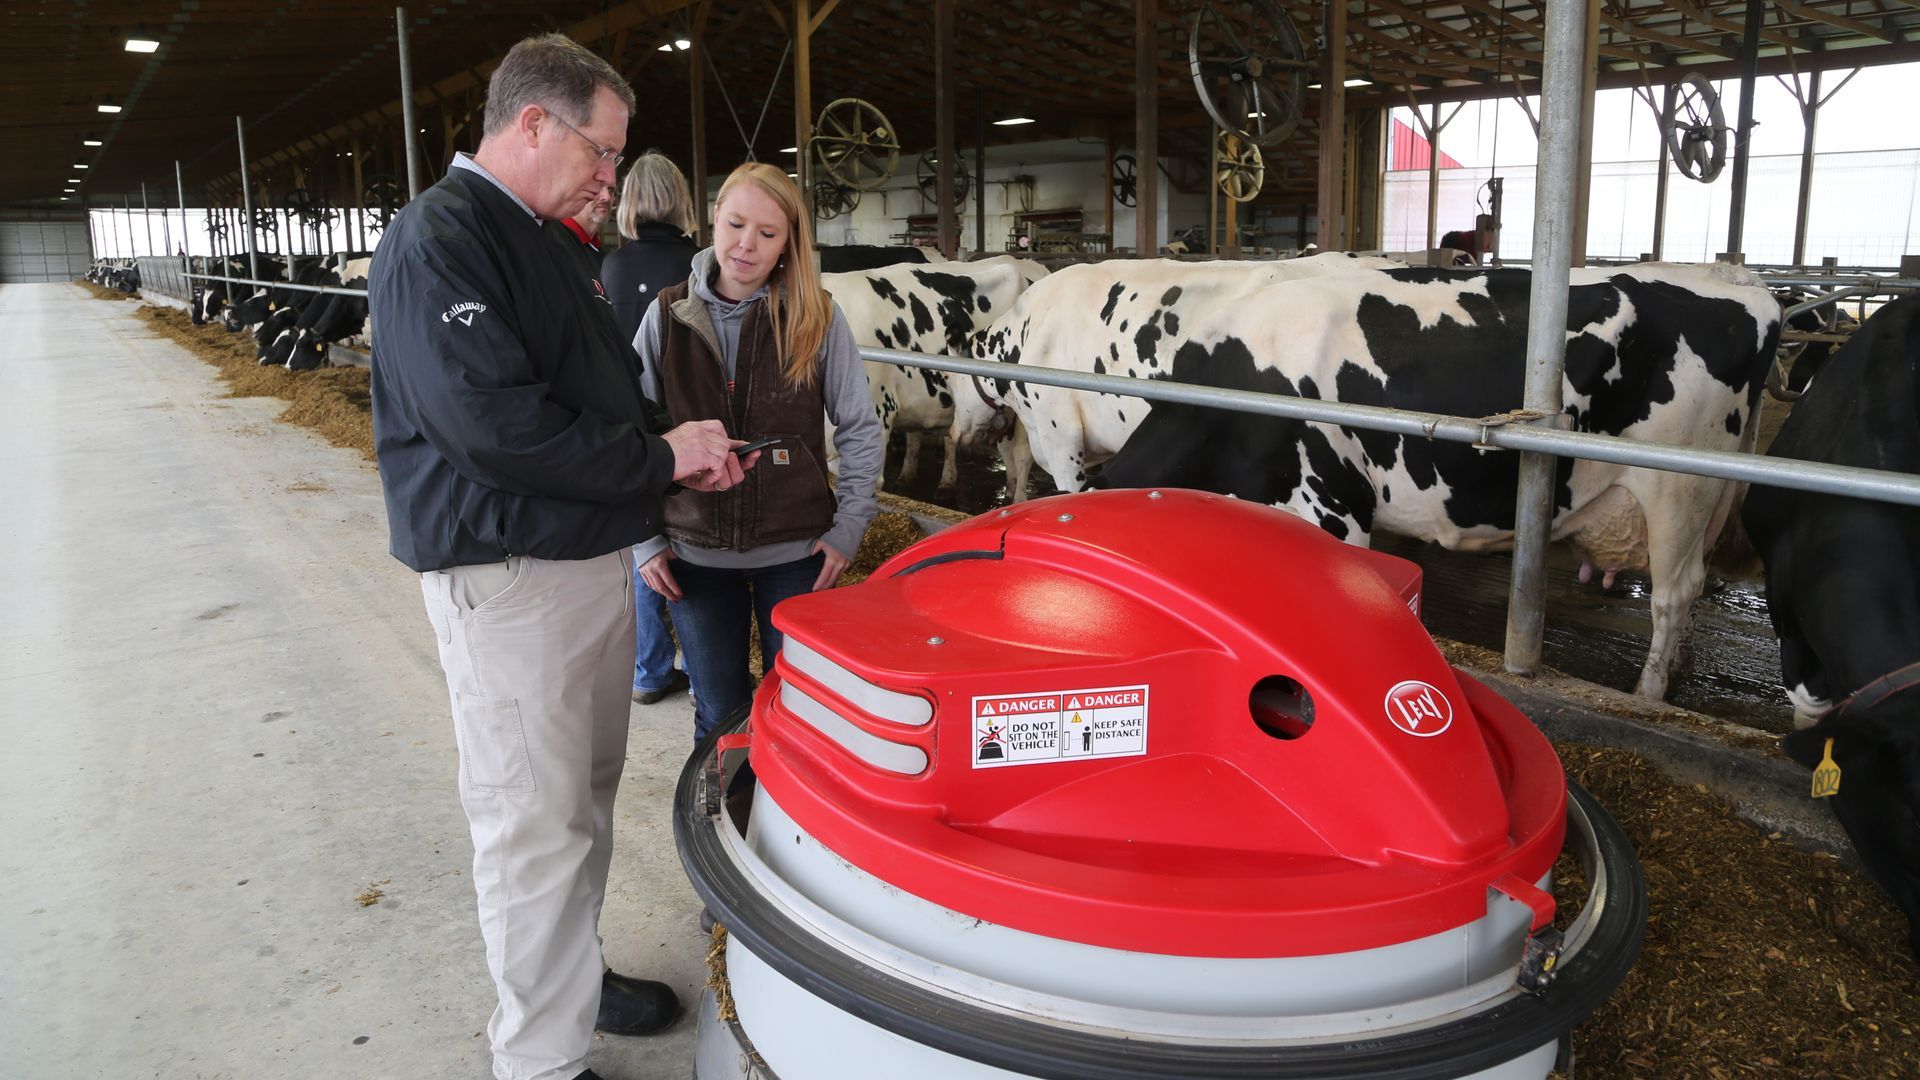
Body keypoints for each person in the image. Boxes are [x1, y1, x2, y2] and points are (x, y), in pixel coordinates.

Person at [365, 33, 755, 1080]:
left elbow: (602, 403)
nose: (610, 176)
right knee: (532, 825)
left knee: (580, 802)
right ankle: (537, 1059)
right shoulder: (438, 239)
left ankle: (570, 983)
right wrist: (658, 455)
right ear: (534, 124)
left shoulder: (551, 241)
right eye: (603, 150)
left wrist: (670, 474)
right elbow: (492, 427)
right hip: (509, 579)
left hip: (584, 568)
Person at [633, 162, 884, 743]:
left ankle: (787, 830)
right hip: (692, 552)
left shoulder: (814, 316)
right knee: (718, 714)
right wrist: (644, 536)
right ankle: (722, 820)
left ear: (789, 242)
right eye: (736, 224)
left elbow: (858, 427)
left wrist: (850, 526)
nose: (746, 245)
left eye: (768, 233)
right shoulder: (666, 316)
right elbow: (632, 433)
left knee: (800, 711)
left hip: (797, 552)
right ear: (712, 219)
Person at [603, 152, 702, 706]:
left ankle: (649, 668)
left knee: (644, 532)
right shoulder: (700, 264)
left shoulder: (611, 268)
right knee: (691, 535)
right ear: (681, 201)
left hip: (633, 418)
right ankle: (701, 654)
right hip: (700, 415)